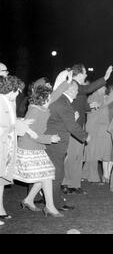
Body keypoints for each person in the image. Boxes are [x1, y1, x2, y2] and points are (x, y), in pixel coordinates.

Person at [14, 86, 65, 217]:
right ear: (43, 99)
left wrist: (67, 81)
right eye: (49, 97)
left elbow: (55, 94)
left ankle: (28, 200)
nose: (51, 99)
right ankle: (50, 207)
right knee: (46, 175)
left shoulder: (40, 108)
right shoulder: (35, 111)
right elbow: (30, 133)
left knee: (44, 174)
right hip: (29, 148)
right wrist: (50, 138)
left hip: (36, 147)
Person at [63, 64, 113, 195]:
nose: (86, 75)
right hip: (73, 126)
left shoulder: (78, 88)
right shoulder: (73, 84)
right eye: (84, 73)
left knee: (77, 156)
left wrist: (91, 106)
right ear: (79, 74)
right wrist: (105, 77)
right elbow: (89, 88)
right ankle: (67, 183)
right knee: (73, 156)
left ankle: (73, 184)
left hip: (79, 125)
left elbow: (83, 105)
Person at [45, 82, 90, 211]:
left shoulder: (62, 101)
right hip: (55, 142)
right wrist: (85, 136)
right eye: (76, 89)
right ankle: (54, 203)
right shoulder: (64, 103)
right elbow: (70, 126)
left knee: (53, 172)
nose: (77, 92)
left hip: (55, 141)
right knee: (57, 174)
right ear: (70, 90)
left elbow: (64, 122)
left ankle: (45, 200)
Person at [0, 75, 36, 225]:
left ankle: (0, 210)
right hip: (2, 144)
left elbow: (11, 122)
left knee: (1, 180)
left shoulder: (8, 101)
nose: (18, 94)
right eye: (17, 91)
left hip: (7, 145)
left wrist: (21, 122)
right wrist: (20, 126)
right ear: (11, 89)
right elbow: (5, 125)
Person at [83, 83, 113, 184]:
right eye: (103, 86)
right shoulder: (94, 97)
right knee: (92, 152)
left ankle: (85, 174)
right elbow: (105, 102)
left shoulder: (99, 96)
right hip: (93, 127)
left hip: (97, 127)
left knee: (92, 152)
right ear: (98, 88)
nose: (105, 88)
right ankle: (92, 176)